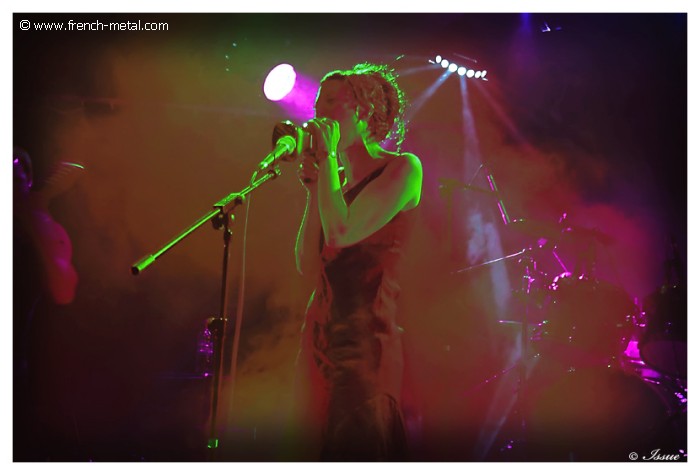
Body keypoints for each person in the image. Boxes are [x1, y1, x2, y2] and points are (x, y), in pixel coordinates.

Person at [292, 63, 423, 461]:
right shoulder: (336, 188)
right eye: (318, 103)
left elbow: (341, 234)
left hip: (366, 349)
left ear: (365, 111)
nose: (320, 112)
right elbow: (308, 264)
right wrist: (315, 188)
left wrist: (328, 159)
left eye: (333, 102)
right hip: (321, 341)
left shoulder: (403, 168)